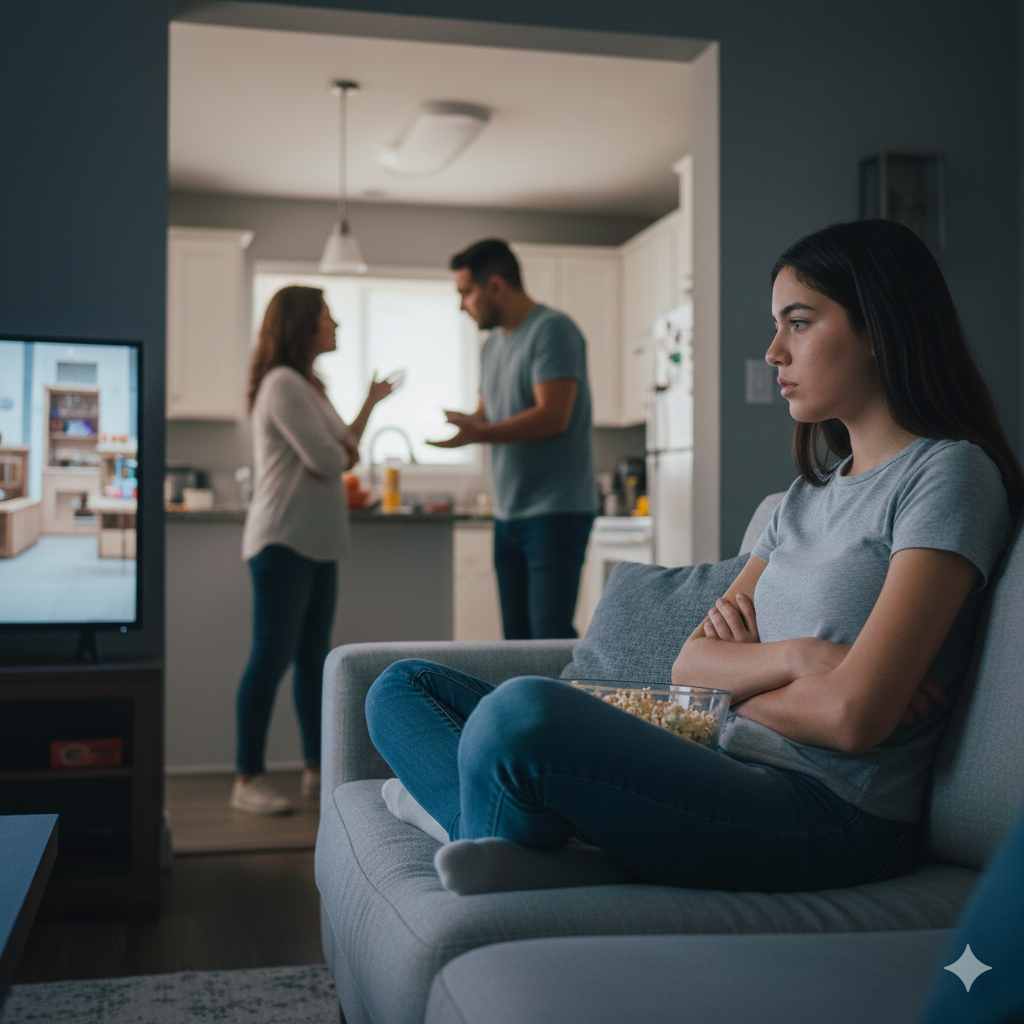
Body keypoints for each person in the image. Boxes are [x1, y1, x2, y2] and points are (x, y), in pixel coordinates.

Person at [364, 220, 1023, 891]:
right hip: (713, 755)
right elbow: (690, 664)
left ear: (879, 328)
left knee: (524, 713)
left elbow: (853, 717)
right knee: (400, 687)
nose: (772, 352)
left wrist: (737, 689)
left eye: (798, 322)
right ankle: (501, 834)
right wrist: (799, 661)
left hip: (828, 810)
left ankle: (490, 826)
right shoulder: (803, 497)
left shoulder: (948, 476)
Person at [232, 285, 400, 815]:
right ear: (304, 325)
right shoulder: (282, 385)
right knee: (270, 660)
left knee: (311, 662)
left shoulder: (309, 385)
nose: (337, 326)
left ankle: (314, 769)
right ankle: (247, 778)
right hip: (283, 539)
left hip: (317, 541)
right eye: (329, 317)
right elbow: (331, 460)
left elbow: (340, 447)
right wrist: (343, 448)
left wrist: (369, 405)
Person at [428, 239, 596, 640]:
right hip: (509, 514)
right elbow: (489, 414)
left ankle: (561, 706)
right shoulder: (491, 347)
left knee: (548, 635)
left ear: (497, 287)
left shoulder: (553, 330)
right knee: (516, 639)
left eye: (466, 293)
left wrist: (478, 434)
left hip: (556, 511)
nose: (462, 305)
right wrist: (467, 424)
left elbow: (552, 417)